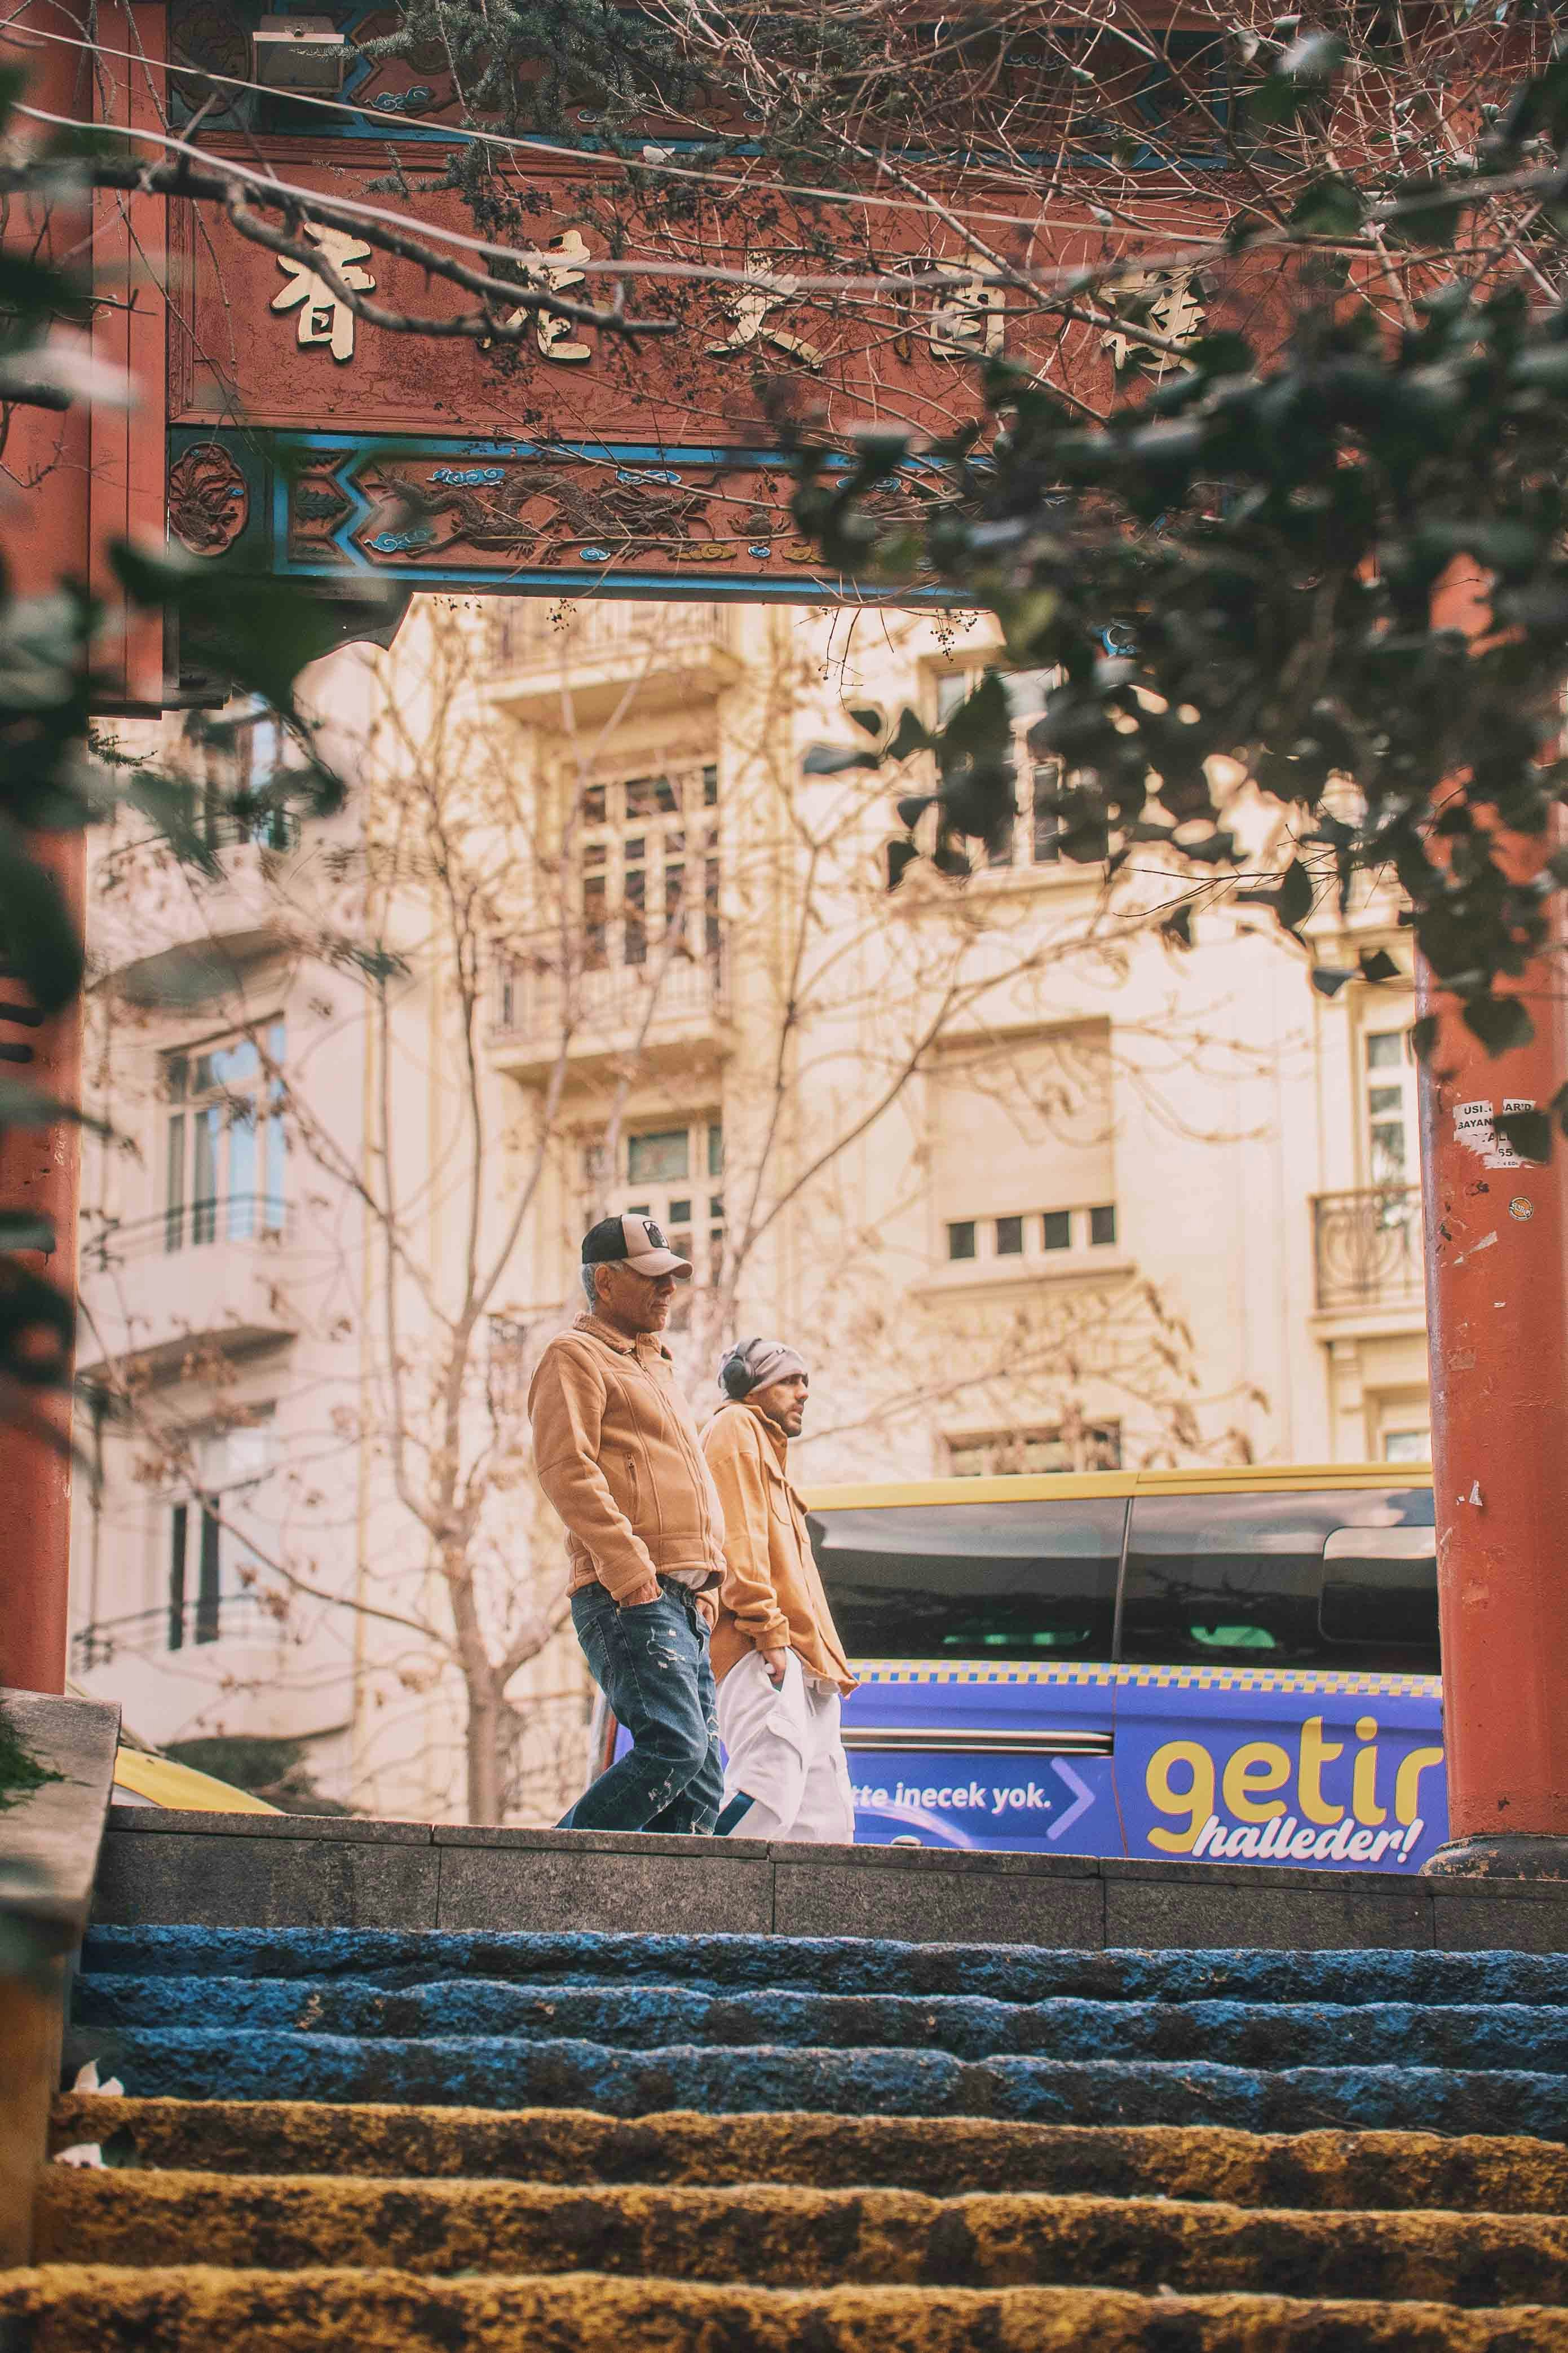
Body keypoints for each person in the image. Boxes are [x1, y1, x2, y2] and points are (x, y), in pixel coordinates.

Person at [528, 1213, 726, 1834]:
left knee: (702, 1787)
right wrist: (630, 1572)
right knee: (675, 1748)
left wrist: (710, 1582)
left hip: (682, 1599)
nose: (669, 1288)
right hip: (628, 1594)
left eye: (672, 1276)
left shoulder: (657, 1365)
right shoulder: (573, 1355)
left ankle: (665, 1906)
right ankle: (538, 1875)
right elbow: (566, 1470)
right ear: (606, 1281)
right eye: (652, 1276)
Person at [703, 1336, 858, 1843]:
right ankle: (686, 1884)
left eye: (805, 1381)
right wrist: (769, 1634)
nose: (804, 1392)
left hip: (801, 1658)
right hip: (759, 1648)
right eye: (789, 1380)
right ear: (747, 1386)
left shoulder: (766, 1447)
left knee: (825, 1821)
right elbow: (739, 1546)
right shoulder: (735, 1427)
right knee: (766, 1792)